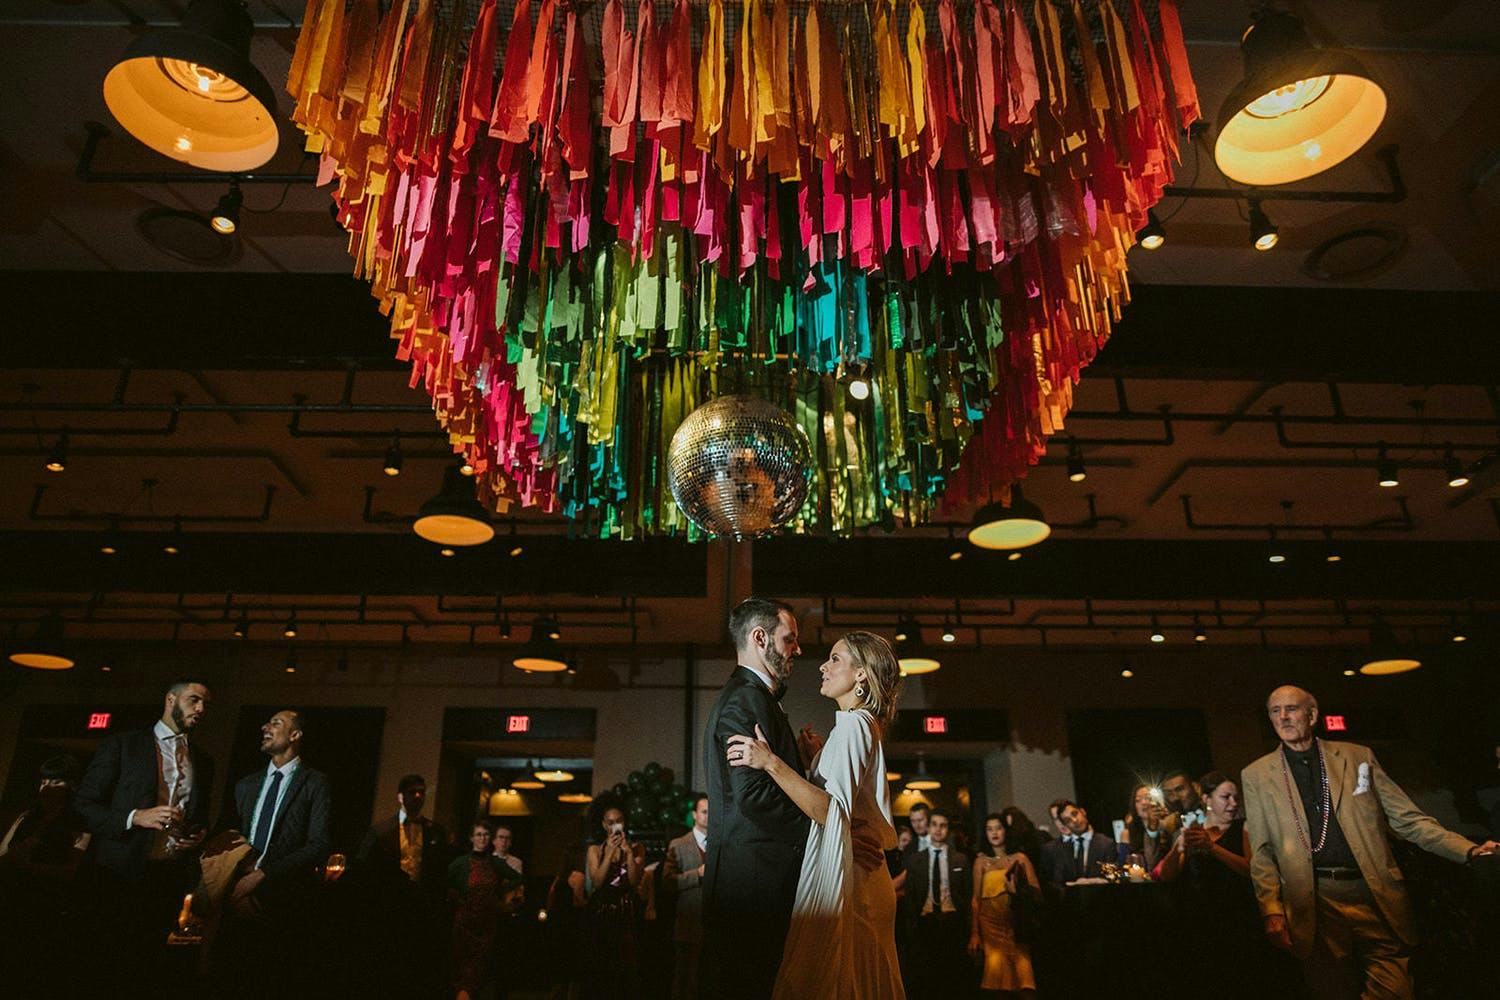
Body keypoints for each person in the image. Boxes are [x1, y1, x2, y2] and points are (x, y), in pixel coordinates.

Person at [1243, 685, 1499, 998]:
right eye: (1274, 711)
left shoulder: (1357, 757)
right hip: (1314, 901)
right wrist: (1271, 908)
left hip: (1374, 890)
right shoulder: (1255, 775)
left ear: (1312, 715)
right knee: (1332, 990)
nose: (1282, 717)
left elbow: (1408, 820)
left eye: (1291, 709)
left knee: (1396, 991)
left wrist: (1469, 850)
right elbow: (1262, 851)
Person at [701, 598, 887, 999]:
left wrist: (790, 763)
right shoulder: (745, 699)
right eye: (790, 639)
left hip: (761, 882)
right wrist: (835, 838)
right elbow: (753, 796)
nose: (800, 651)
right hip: (755, 885)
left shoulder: (757, 698)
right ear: (759, 637)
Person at [74, 677, 214, 983]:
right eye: (194, 700)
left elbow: (200, 817)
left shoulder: (203, 761)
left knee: (149, 967)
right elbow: (84, 804)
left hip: (168, 877)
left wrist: (196, 835)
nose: (201, 709)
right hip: (117, 873)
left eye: (205, 704)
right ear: (170, 700)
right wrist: (135, 816)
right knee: (103, 963)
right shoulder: (123, 745)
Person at [1157, 771, 1263, 995]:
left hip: (1238, 920)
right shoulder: (1192, 832)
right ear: (1206, 799)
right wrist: (1178, 848)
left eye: (1236, 798)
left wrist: (1213, 848)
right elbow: (1166, 876)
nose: (1233, 804)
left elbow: (1251, 870)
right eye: (1226, 797)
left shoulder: (1243, 827)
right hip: (1201, 924)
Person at [0, 755, 91, 995]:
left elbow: (74, 869)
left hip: (47, 905)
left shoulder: (78, 824)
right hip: (13, 899)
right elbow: (4, 854)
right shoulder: (27, 817)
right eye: (43, 781)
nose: (46, 787)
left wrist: (31, 867)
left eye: (55, 782)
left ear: (71, 786)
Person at [448, 820, 525, 1000]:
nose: (482, 838)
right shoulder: (461, 863)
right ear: (471, 838)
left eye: (485, 834)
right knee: (462, 968)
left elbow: (517, 878)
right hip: (465, 921)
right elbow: (446, 882)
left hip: (486, 922)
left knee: (479, 968)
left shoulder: (495, 863)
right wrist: (460, 897)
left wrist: (498, 893)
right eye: (478, 834)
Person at [899, 808, 970, 1000]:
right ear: (929, 827)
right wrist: (913, 925)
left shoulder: (960, 859)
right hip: (925, 923)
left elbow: (967, 895)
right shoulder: (915, 860)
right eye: (934, 825)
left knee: (952, 978)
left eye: (943, 825)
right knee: (926, 979)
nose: (938, 829)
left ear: (948, 829)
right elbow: (911, 896)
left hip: (952, 922)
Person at [968, 812, 1039, 997]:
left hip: (1017, 923)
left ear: (1005, 831)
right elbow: (975, 900)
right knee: (995, 972)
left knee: (1023, 973)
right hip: (990, 924)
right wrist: (974, 933)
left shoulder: (1020, 858)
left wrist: (1017, 890)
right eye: (989, 829)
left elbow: (1036, 892)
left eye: (998, 828)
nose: (994, 833)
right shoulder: (981, 862)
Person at [585, 802, 645, 998]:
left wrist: (628, 853)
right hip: (602, 907)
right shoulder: (595, 850)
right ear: (604, 825)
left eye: (618, 822)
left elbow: (635, 881)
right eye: (610, 823)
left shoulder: (636, 848)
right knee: (602, 960)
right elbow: (597, 881)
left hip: (626, 907)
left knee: (627, 963)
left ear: (624, 823)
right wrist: (610, 851)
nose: (614, 826)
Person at [667, 793, 709, 1000]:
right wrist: (697, 875)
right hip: (688, 922)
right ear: (694, 814)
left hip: (714, 923)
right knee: (685, 978)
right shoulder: (679, 844)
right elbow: (667, 882)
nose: (708, 816)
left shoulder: (722, 843)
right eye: (704, 812)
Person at [1037, 801, 1116, 890]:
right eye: (1067, 820)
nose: (1074, 820)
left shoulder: (1106, 843)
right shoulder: (1057, 848)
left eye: (1075, 814)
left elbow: (1113, 877)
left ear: (1082, 812)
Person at [1120, 784, 1169, 871]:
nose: (1144, 803)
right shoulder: (1127, 833)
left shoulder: (1166, 826)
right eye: (1138, 800)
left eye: (1148, 798)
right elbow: (1123, 865)